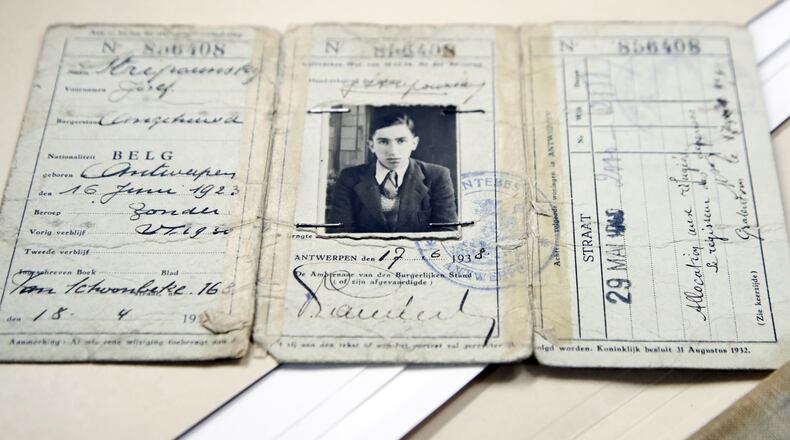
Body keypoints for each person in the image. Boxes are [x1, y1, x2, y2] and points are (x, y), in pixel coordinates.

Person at [328, 112, 457, 233]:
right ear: (371, 145)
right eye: (383, 141)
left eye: (401, 141)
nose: (393, 151)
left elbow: (445, 233)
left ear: (414, 143)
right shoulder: (349, 177)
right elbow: (340, 233)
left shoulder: (437, 176)